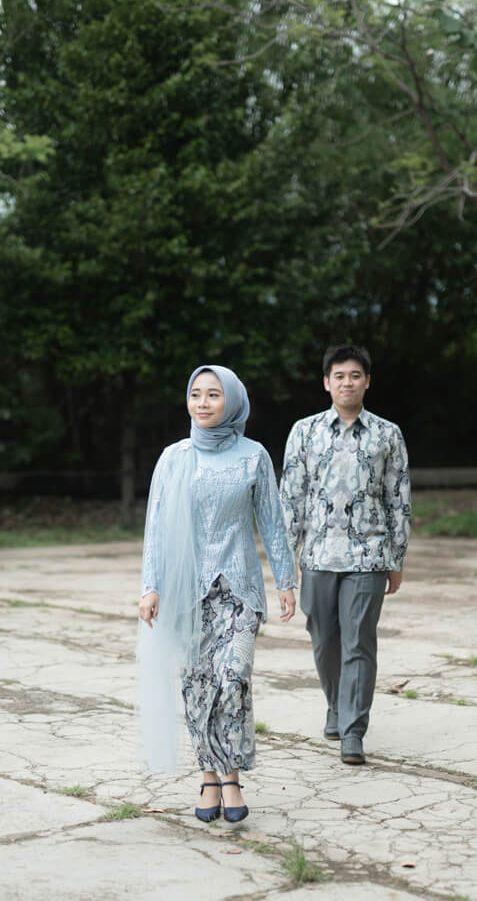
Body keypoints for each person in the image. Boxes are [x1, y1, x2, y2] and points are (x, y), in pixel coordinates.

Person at [137, 364, 297, 823]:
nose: (203, 402)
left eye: (213, 394)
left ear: (232, 400)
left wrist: (286, 580)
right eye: (196, 394)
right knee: (197, 685)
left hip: (240, 591)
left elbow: (272, 520)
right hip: (187, 594)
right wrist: (151, 586)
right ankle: (212, 776)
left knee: (232, 680)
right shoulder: (173, 458)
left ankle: (232, 775)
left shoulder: (253, 456)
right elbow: (156, 527)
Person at [279, 344, 411, 766]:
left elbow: (398, 499)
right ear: (326, 383)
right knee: (324, 641)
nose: (347, 382)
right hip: (317, 556)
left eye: (355, 375)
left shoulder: (388, 434)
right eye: (339, 376)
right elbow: (291, 499)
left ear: (367, 381)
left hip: (368, 556)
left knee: (359, 643)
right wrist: (285, 562)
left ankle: (353, 731)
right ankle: (335, 704)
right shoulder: (304, 432)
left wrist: (396, 558)